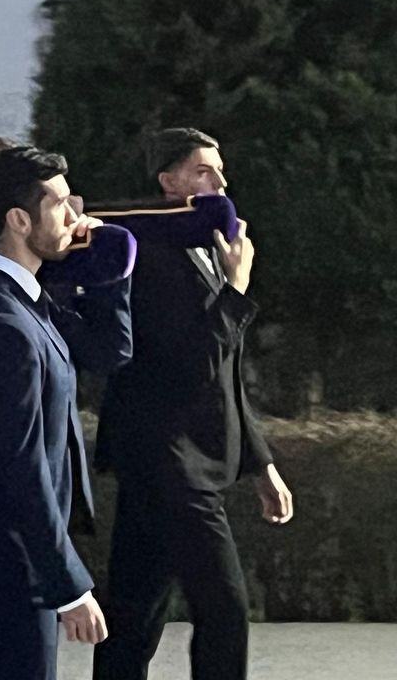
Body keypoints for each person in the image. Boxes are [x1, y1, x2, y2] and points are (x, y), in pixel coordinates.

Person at [94, 129, 293, 680]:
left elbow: (224, 375)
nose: (220, 182)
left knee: (135, 613)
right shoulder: (148, 255)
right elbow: (191, 362)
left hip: (173, 459)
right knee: (225, 609)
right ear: (169, 182)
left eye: (220, 170)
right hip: (168, 459)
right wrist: (236, 288)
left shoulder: (207, 246)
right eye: (204, 170)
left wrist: (262, 463)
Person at [0, 146, 133, 680]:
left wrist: (110, 266)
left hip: (3, 556)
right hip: (5, 561)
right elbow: (19, 466)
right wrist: (66, 583)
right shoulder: (1, 320)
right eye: (61, 205)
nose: (74, 217)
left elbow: (109, 351)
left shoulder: (23, 299)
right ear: (19, 220)